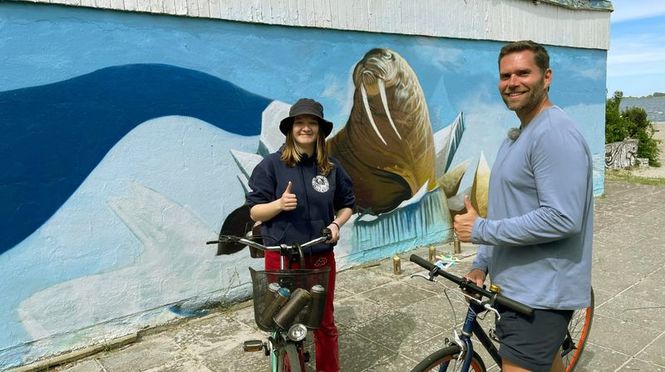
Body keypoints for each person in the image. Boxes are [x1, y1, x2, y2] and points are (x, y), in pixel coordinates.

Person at [453, 40, 593, 372]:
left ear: (547, 77)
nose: (512, 82)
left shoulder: (555, 134)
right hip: (514, 289)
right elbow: (507, 211)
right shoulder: (517, 136)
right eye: (505, 75)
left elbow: (562, 218)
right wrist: (481, 263)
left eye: (522, 73)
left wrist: (481, 229)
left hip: (540, 298)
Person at [246, 98, 355, 372]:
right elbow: (254, 212)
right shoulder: (271, 166)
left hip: (319, 258)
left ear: (319, 129)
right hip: (281, 259)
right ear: (290, 129)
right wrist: (278, 205)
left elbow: (348, 204)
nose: (305, 128)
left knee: (323, 322)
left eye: (312, 123)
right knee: (284, 323)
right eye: (300, 123)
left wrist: (336, 224)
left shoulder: (331, 168)